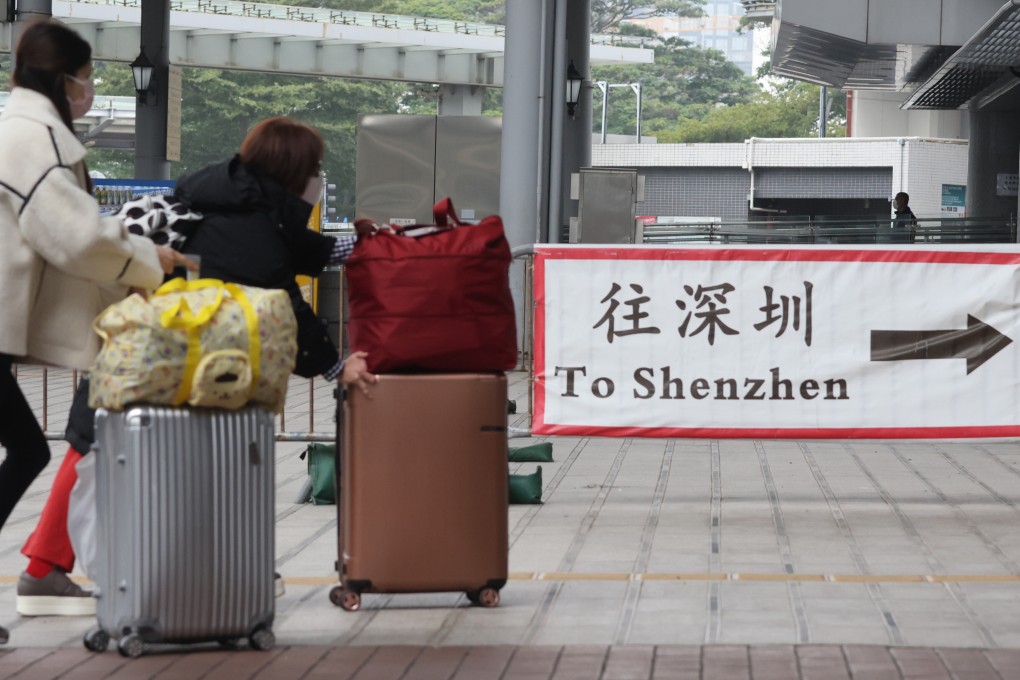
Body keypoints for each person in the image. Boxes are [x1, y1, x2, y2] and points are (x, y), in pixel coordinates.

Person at [0, 20, 193, 637]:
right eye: (85, 77)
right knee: (26, 449)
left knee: (27, 449)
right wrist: (145, 257)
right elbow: (77, 234)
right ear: (64, 79)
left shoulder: (22, 130)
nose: (88, 89)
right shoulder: (34, 139)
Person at [174, 116, 377, 395]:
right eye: (315, 168)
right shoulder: (247, 225)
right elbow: (285, 301)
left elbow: (298, 245)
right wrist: (336, 367)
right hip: (206, 372)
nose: (318, 177)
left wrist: (378, 245)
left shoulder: (242, 203)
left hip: (205, 354)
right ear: (294, 171)